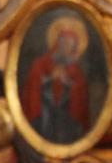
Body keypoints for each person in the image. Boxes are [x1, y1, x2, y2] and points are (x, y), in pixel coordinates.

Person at [22, 16, 91, 145]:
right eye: (64, 43)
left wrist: (67, 82)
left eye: (70, 45)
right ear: (57, 43)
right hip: (44, 116)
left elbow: (80, 96)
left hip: (66, 119)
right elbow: (33, 86)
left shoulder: (76, 70)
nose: (66, 47)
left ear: (74, 47)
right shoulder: (41, 63)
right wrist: (49, 78)